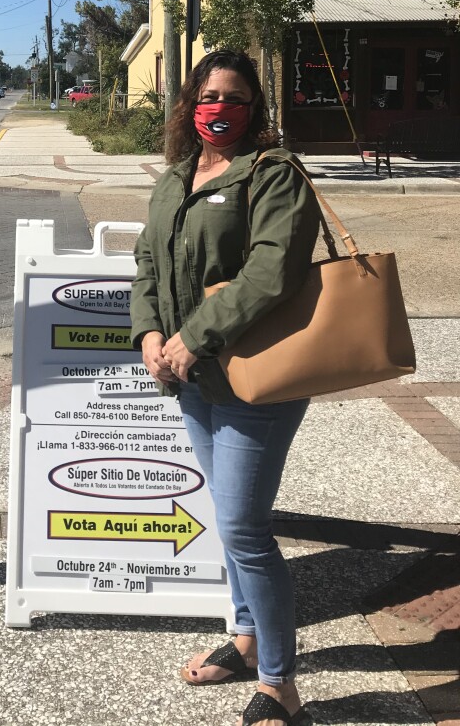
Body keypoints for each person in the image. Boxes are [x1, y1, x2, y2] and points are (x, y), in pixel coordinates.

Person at [131, 49, 321, 726]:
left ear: (254, 109)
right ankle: (245, 637)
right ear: (189, 103)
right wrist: (151, 334)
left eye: (234, 97)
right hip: (193, 381)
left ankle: (280, 684)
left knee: (245, 526)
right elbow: (147, 261)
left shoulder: (273, 175)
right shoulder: (176, 177)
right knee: (230, 519)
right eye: (208, 95)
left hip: (255, 381)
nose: (219, 108)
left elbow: (273, 271)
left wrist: (192, 335)